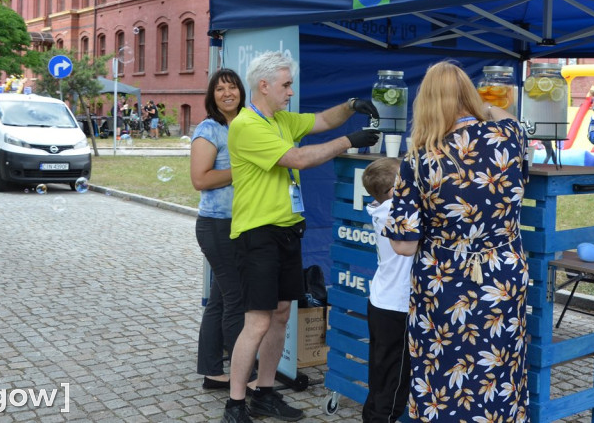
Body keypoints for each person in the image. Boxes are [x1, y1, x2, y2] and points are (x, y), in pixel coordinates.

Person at [222, 51, 380, 423]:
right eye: (286, 85)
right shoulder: (247, 124)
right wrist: (351, 140)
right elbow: (299, 159)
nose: (291, 91)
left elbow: (323, 119)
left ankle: (264, 394)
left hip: (287, 231)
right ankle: (234, 403)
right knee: (257, 322)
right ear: (264, 86)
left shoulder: (279, 119)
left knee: (280, 317)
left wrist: (352, 105)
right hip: (257, 234)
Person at [385, 61, 528, 423]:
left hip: (445, 282)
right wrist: (480, 106)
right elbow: (502, 113)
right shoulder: (510, 136)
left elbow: (402, 245)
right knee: (501, 372)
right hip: (503, 274)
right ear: (470, 95)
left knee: (443, 374)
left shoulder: (418, 160)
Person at [192, 70, 248, 389]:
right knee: (235, 300)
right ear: (212, 96)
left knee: (220, 300)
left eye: (232, 87)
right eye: (219, 89)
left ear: (242, 91)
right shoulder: (209, 129)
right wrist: (241, 170)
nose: (227, 93)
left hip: (241, 223)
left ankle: (212, 370)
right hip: (216, 225)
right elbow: (200, 179)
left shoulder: (246, 125)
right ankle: (244, 375)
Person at [361, 157, 410, 423]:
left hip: (382, 302)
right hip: (397, 307)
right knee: (394, 381)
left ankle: (372, 417)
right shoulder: (398, 212)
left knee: (381, 374)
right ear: (395, 191)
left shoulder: (382, 208)